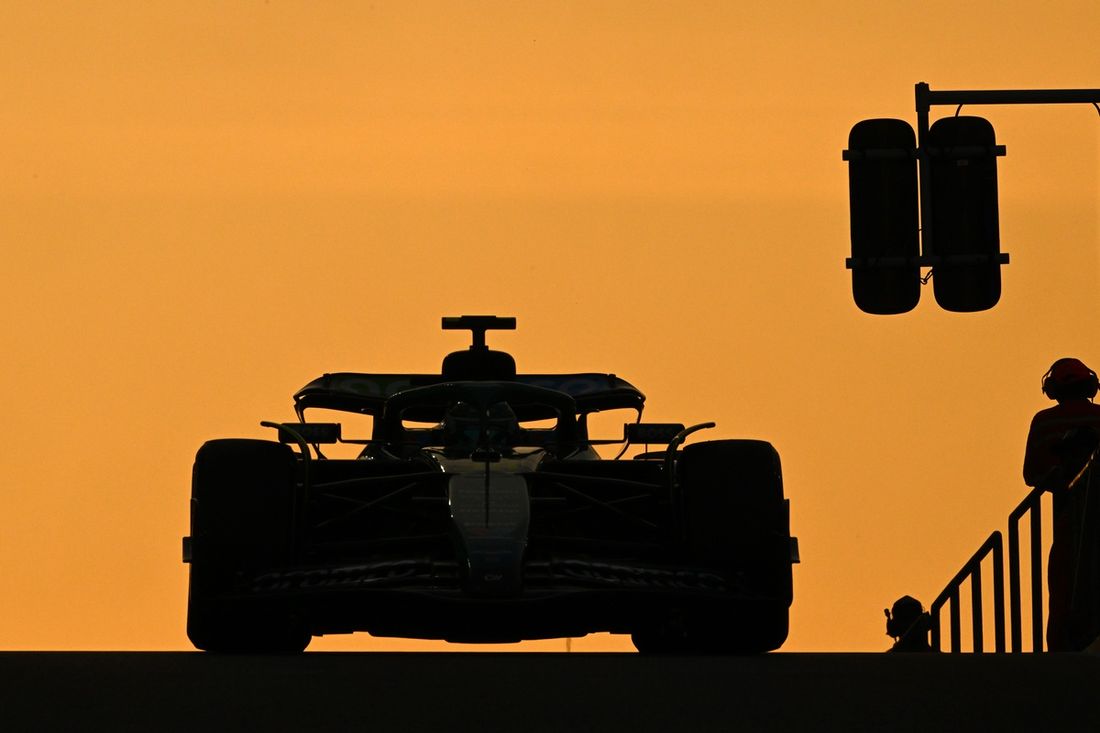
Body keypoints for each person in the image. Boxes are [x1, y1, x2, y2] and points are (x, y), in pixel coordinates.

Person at [1023, 357, 1100, 651]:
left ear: (1052, 389)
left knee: (1062, 596)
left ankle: (1059, 657)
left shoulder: (1044, 422)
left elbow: (1031, 475)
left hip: (1066, 520)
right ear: (1091, 385)